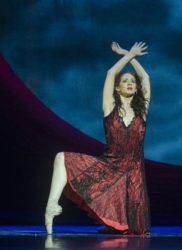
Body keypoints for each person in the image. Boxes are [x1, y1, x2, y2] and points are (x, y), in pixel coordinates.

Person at [44, 41, 151, 235]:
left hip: (133, 176)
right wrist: (128, 56)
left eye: (132, 82)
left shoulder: (141, 112)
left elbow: (145, 77)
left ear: (136, 89)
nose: (130, 83)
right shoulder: (110, 107)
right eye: (125, 81)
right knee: (61, 157)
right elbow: (111, 74)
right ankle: (51, 207)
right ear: (117, 88)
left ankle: (113, 227)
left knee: (136, 230)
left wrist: (129, 53)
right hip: (110, 168)